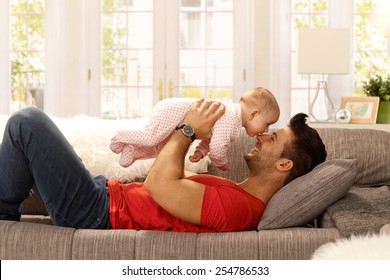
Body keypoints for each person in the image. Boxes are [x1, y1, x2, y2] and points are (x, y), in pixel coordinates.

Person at [0, 99, 326, 232]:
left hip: (96, 213)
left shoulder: (239, 208)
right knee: (25, 149)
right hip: (104, 196)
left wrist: (187, 129)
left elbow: (159, 185)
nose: (261, 137)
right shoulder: (236, 191)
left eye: (273, 138)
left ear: (284, 164)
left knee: (26, 122)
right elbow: (161, 184)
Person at [110, 87, 280, 170]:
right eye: (267, 124)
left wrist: (200, 152)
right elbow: (217, 146)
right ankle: (119, 136)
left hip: (175, 114)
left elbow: (209, 139)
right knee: (151, 137)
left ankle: (132, 152)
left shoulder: (233, 122)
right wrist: (221, 162)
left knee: (161, 148)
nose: (265, 130)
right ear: (254, 114)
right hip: (172, 111)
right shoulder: (231, 117)